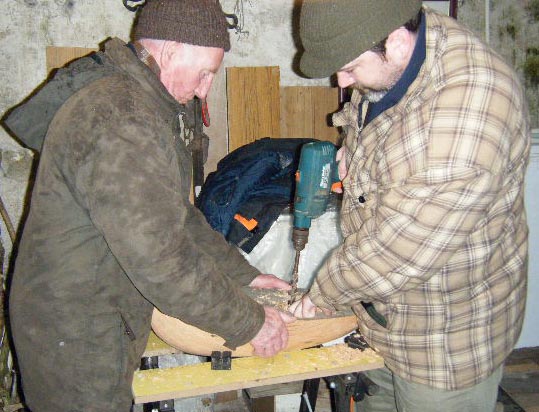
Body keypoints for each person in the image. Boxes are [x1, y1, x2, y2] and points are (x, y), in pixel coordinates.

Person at [5, 1, 294, 411]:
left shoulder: (137, 106)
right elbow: (161, 258)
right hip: (74, 331)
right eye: (205, 73)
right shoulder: (121, 119)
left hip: (90, 316)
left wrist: (243, 276)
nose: (204, 89)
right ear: (172, 52)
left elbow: (178, 220)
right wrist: (250, 323)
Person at [290, 1, 531, 411]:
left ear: (398, 42)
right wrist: (354, 145)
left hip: (446, 341)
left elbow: (397, 252)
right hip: (384, 318)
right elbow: (372, 109)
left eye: (350, 67)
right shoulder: (405, 46)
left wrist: (322, 295)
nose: (341, 80)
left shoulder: (471, 112)